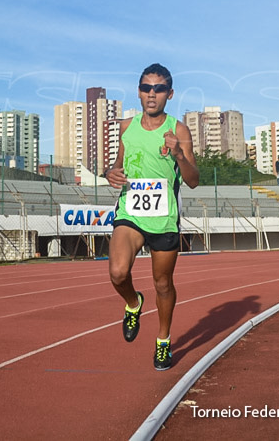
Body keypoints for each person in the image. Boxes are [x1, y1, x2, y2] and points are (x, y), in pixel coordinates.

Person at [104, 63, 199, 371]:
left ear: (169, 94)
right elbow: (118, 163)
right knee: (118, 273)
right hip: (131, 211)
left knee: (162, 284)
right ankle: (133, 303)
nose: (151, 94)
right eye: (146, 88)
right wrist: (111, 173)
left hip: (164, 218)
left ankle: (162, 341)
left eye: (158, 89)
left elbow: (194, 179)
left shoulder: (179, 129)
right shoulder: (125, 127)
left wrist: (179, 155)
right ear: (139, 92)